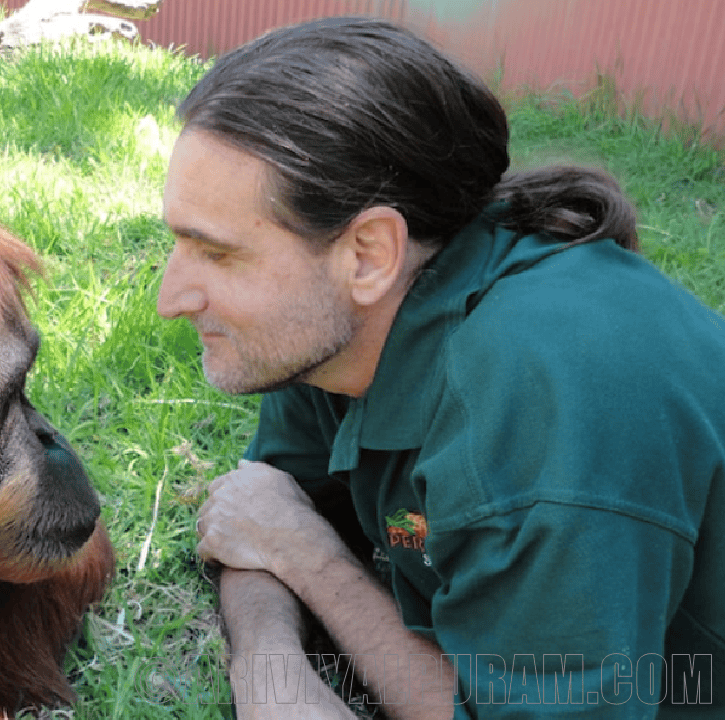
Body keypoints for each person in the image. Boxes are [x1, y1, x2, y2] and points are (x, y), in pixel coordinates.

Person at [157, 17, 724, 720]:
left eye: (217, 254)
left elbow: (284, 533)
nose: (169, 299)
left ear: (369, 254)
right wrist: (270, 670)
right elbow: (263, 507)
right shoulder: (337, 330)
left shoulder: (538, 412)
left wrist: (314, 563)